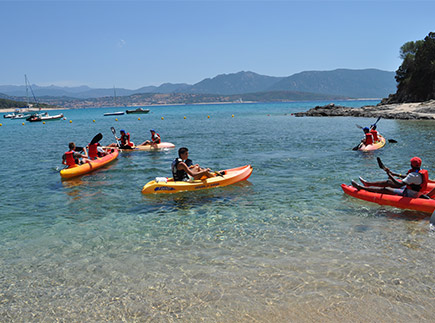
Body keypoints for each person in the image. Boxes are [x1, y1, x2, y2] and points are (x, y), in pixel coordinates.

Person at [352, 157, 429, 198]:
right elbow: (407, 177)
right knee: (388, 182)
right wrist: (394, 174)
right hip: (414, 190)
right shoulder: (419, 171)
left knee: (386, 189)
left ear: (411, 165)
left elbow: (399, 184)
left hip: (411, 194)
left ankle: (361, 188)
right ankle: (367, 184)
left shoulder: (413, 175)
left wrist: (389, 174)